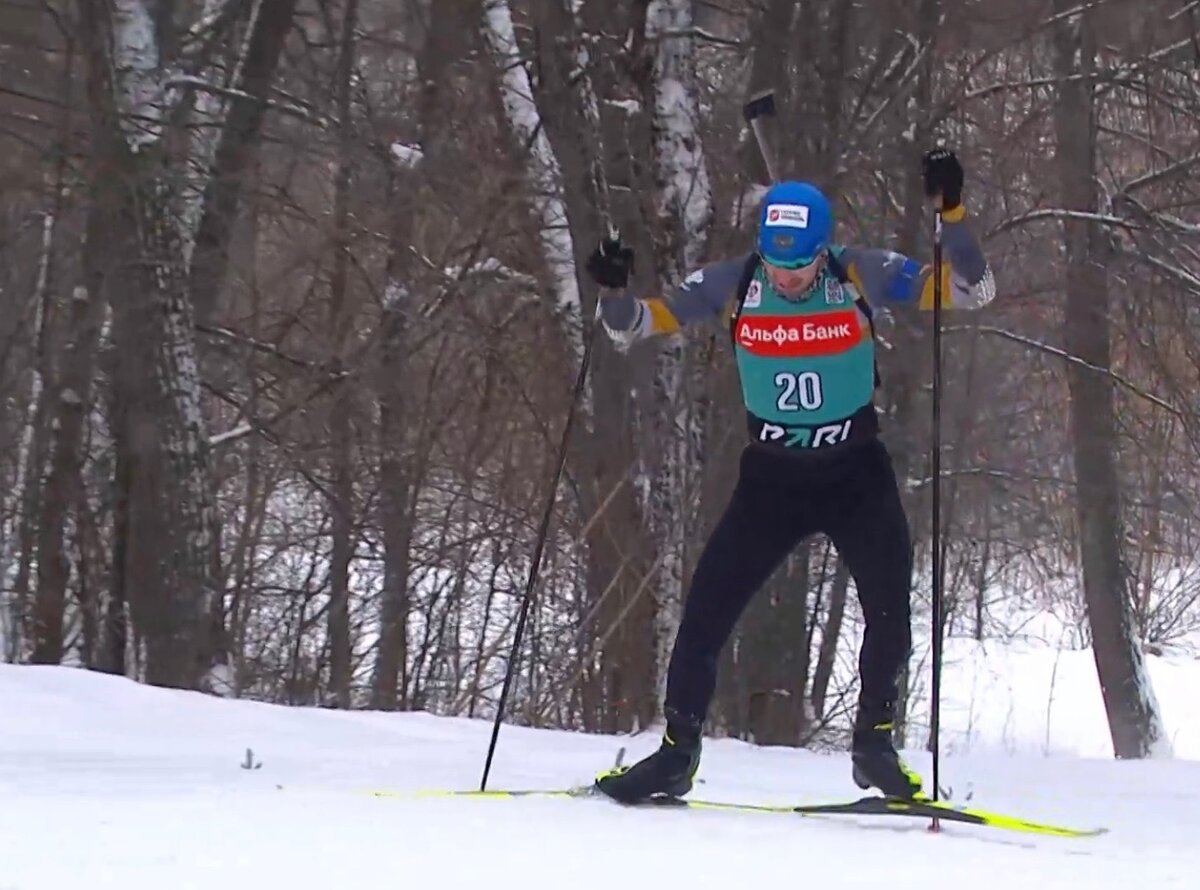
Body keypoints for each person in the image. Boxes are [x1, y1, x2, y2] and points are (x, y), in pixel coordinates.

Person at [583, 148, 995, 803]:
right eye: (779, 264)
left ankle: (875, 746)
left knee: (889, 609)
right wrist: (612, 289)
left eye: (801, 265)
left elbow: (971, 291)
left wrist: (953, 214)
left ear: (822, 250)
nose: (790, 278)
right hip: (772, 477)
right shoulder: (734, 283)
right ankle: (675, 754)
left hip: (855, 468)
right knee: (705, 613)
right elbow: (633, 328)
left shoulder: (859, 273)